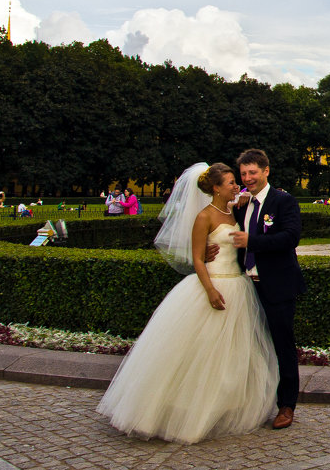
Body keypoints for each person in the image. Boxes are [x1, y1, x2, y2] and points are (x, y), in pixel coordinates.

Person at [97, 162, 277, 443]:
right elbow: (196, 259)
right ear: (216, 188)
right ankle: (183, 412)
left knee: (230, 355)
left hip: (238, 288)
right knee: (198, 354)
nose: (236, 185)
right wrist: (209, 290)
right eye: (230, 181)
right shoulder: (204, 216)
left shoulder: (236, 208)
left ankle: (222, 407)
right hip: (214, 286)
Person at [225, 148, 306, 430]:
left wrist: (253, 241)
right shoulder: (241, 204)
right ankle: (253, 401)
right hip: (245, 286)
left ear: (266, 171)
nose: (248, 178)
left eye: (253, 173)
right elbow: (229, 237)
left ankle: (286, 405)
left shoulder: (283, 201)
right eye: (244, 173)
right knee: (248, 345)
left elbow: (291, 237)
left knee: (282, 345)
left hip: (277, 286)